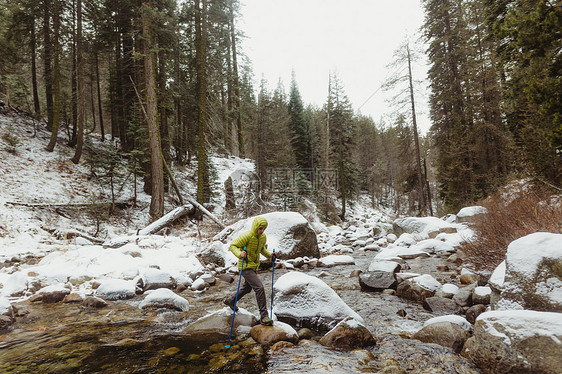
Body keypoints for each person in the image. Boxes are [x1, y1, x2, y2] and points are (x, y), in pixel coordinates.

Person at [224, 216, 277, 326]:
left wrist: (269, 255)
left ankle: (231, 300)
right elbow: (233, 245)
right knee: (259, 287)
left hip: (254, 267)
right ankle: (264, 316)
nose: (262, 231)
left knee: (247, 288)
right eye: (260, 228)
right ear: (256, 227)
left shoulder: (262, 237)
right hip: (245, 267)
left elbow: (262, 249)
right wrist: (240, 254)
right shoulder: (247, 236)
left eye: (264, 229)